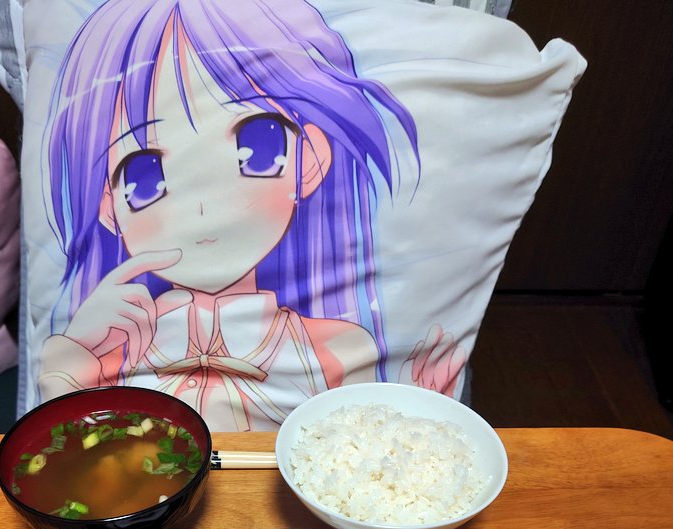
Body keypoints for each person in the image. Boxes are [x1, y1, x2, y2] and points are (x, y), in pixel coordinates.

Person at [38, 0, 461, 428]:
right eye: (144, 174)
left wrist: (416, 408)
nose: (203, 206)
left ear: (310, 160)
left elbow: (362, 450)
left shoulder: (332, 348)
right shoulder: (109, 351)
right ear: (108, 206)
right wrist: (73, 353)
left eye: (257, 145)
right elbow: (58, 443)